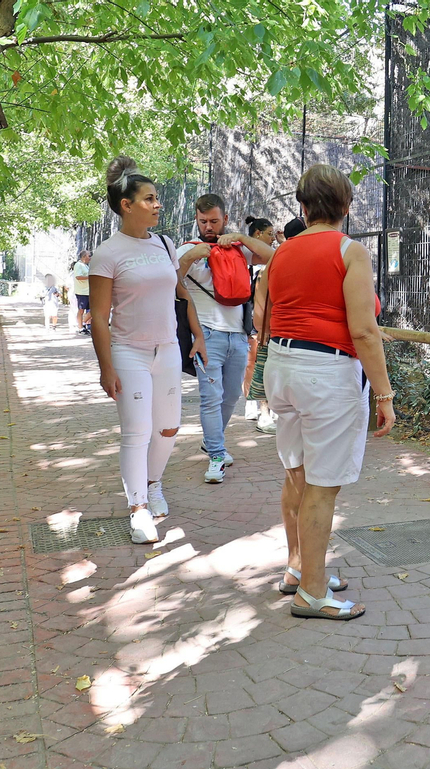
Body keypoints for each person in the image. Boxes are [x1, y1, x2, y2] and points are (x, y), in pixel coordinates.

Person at [260, 165, 396, 620]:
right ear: (345, 206)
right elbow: (363, 329)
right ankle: (313, 593)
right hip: (326, 373)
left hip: (281, 367)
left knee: (296, 473)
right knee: (322, 486)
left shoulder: (280, 254)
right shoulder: (349, 250)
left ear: (302, 206)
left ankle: (300, 568)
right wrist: (384, 394)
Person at [88, 156, 207, 544]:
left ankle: (154, 483)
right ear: (126, 205)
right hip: (128, 352)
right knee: (137, 431)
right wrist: (107, 368)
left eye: (157, 198)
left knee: (169, 427)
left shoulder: (165, 243)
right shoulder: (108, 253)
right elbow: (100, 318)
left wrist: (198, 333)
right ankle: (138, 508)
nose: (158, 204)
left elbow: (179, 291)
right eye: (150, 198)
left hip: (168, 350)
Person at [176, 195, 275, 484]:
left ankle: (211, 442)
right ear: (197, 219)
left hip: (238, 337)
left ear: (225, 219)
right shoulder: (190, 249)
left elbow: (273, 256)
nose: (208, 226)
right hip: (206, 336)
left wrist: (242, 238)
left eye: (214, 221)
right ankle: (217, 455)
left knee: (231, 395)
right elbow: (170, 280)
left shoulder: (236, 250)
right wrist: (190, 257)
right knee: (210, 398)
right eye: (203, 221)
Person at [242, 215, 281, 434]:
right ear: (257, 234)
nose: (272, 239)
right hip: (255, 321)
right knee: (254, 363)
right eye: (269, 234)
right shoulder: (254, 262)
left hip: (259, 322)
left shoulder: (270, 260)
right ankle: (256, 405)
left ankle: (254, 402)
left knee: (255, 363)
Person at [73, 250, 92, 334]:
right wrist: (90, 277)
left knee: (93, 310)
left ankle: (82, 323)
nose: (90, 258)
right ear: (84, 257)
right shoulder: (78, 265)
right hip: (82, 292)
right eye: (89, 256)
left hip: (88, 291)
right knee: (81, 310)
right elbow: (78, 277)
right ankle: (80, 327)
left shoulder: (85, 266)